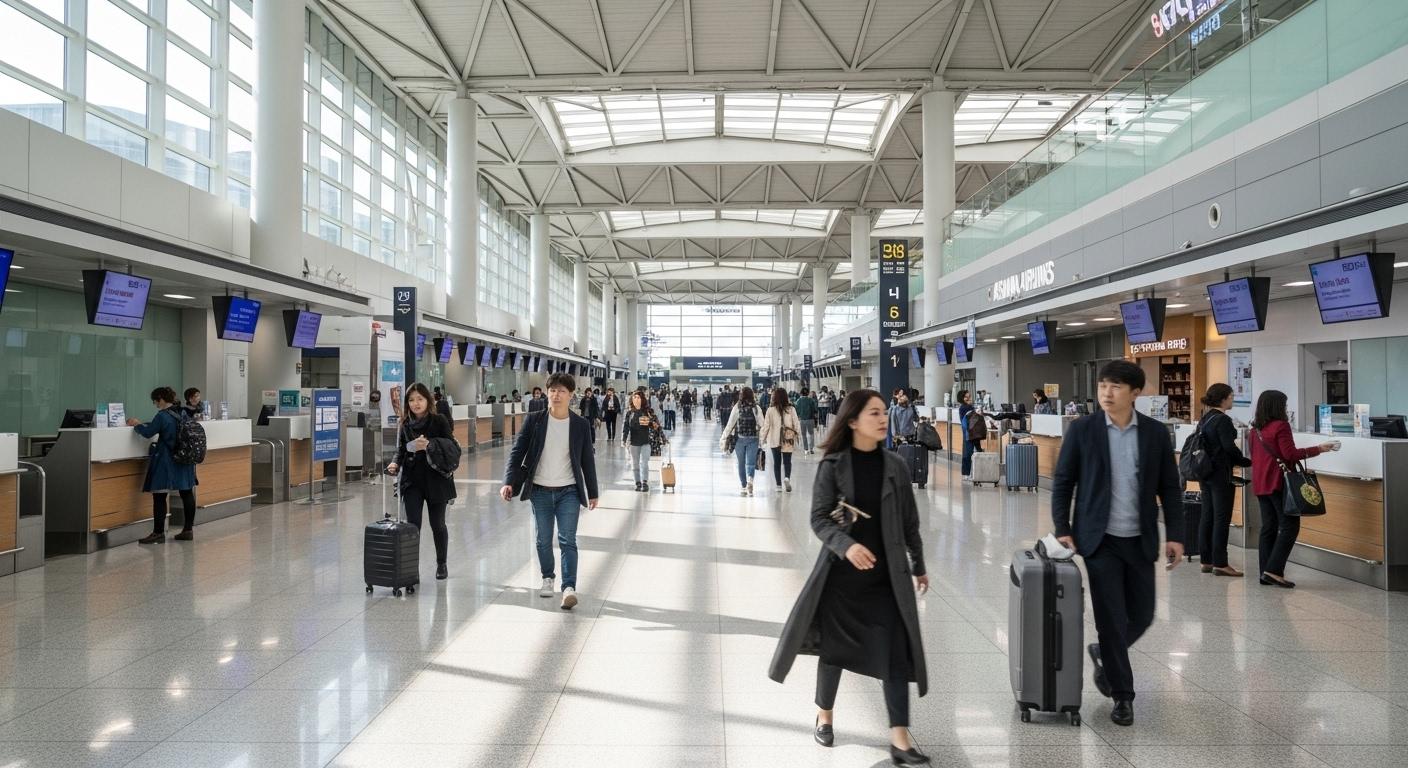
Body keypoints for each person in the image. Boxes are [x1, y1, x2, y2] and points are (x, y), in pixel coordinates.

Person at [768, 389, 931, 766]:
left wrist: (919, 565)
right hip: (843, 581)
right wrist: (847, 546)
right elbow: (819, 518)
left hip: (887, 578)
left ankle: (900, 740)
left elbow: (910, 521)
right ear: (853, 420)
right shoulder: (834, 466)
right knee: (835, 653)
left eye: (885, 412)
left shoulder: (896, 466)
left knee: (894, 655)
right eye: (874, 412)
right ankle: (824, 714)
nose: (883, 418)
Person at [1051, 360, 1184, 728]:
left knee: (1142, 615)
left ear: (1136, 393)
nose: (1106, 393)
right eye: (1103, 385)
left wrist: (1175, 534)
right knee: (1111, 620)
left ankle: (1104, 655)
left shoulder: (1156, 434)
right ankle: (1123, 696)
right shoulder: (1083, 430)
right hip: (1099, 540)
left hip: (1139, 538)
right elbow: (1063, 482)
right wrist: (1063, 527)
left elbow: (1170, 488)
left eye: (1116, 387)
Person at [501, 372, 600, 610]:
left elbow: (587, 460)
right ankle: (548, 577)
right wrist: (508, 482)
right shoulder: (534, 420)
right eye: (552, 390)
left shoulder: (580, 425)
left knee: (568, 540)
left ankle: (569, 587)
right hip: (540, 490)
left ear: (571, 395)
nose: (556, 395)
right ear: (547, 392)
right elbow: (518, 452)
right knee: (542, 539)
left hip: (569, 491)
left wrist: (593, 491)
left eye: (562, 391)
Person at [1249, 389, 1340, 588]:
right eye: (1284, 404)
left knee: (1269, 527)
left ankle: (1265, 572)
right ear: (1277, 406)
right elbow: (1290, 454)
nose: (1286, 408)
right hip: (1278, 482)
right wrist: (1319, 449)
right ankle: (1273, 571)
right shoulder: (1281, 426)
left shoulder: (1254, 429)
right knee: (1289, 527)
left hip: (1261, 483)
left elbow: (1254, 455)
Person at [386, 383, 457, 581]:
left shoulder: (439, 420)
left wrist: (430, 445)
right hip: (412, 480)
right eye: (411, 400)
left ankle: (441, 563)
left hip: (437, 479)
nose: (416, 404)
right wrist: (394, 463)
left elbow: (451, 446)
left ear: (428, 400)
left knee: (438, 524)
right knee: (412, 526)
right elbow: (400, 451)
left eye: (420, 399)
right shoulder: (405, 423)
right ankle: (411, 568)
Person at [127, 387, 199, 544]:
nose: (155, 404)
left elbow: (148, 433)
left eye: (155, 401)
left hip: (167, 459)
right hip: (185, 458)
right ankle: (188, 530)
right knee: (186, 492)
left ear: (160, 399)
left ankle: (158, 533)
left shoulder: (162, 416)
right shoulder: (183, 412)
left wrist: (137, 424)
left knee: (159, 495)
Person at [1196, 383, 1253, 577]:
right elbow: (1229, 447)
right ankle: (1221, 562)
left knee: (1207, 516)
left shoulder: (1205, 419)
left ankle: (1206, 560)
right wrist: (1245, 461)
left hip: (1206, 473)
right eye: (1231, 396)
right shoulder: (1223, 420)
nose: (1232, 400)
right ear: (1223, 399)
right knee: (1221, 518)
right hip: (1221, 474)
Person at [720, 387, 764, 496]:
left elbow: (730, 424)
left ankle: (743, 487)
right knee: (751, 463)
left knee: (741, 463)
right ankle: (750, 479)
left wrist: (724, 437)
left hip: (739, 439)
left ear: (741, 395)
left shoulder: (737, 407)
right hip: (753, 439)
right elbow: (763, 425)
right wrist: (763, 440)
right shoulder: (756, 408)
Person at [761, 387, 803, 493]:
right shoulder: (791, 409)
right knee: (787, 461)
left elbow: (766, 426)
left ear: (775, 397)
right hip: (788, 438)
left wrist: (762, 439)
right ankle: (787, 478)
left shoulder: (770, 410)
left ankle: (778, 486)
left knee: (777, 463)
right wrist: (798, 437)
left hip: (774, 440)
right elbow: (796, 424)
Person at [622, 391, 662, 492]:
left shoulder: (647, 411)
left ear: (642, 399)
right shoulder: (629, 413)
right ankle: (637, 483)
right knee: (635, 464)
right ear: (632, 399)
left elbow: (656, 425)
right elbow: (626, 427)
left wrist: (650, 423)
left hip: (645, 442)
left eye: (638, 397)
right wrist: (623, 439)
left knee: (644, 463)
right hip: (634, 443)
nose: (636, 399)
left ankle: (645, 482)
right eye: (634, 397)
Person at [957, 390, 979, 479]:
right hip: (969, 432)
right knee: (968, 452)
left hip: (971, 431)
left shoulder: (967, 407)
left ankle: (968, 473)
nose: (968, 398)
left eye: (969, 396)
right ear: (962, 398)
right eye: (966, 397)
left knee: (969, 451)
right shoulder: (964, 407)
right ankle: (966, 474)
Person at [794, 388, 819, 454]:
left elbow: (796, 410)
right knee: (811, 434)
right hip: (810, 419)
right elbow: (815, 409)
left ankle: (806, 449)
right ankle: (811, 449)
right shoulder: (811, 400)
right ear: (808, 393)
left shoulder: (798, 401)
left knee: (803, 434)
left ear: (801, 393)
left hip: (802, 420)